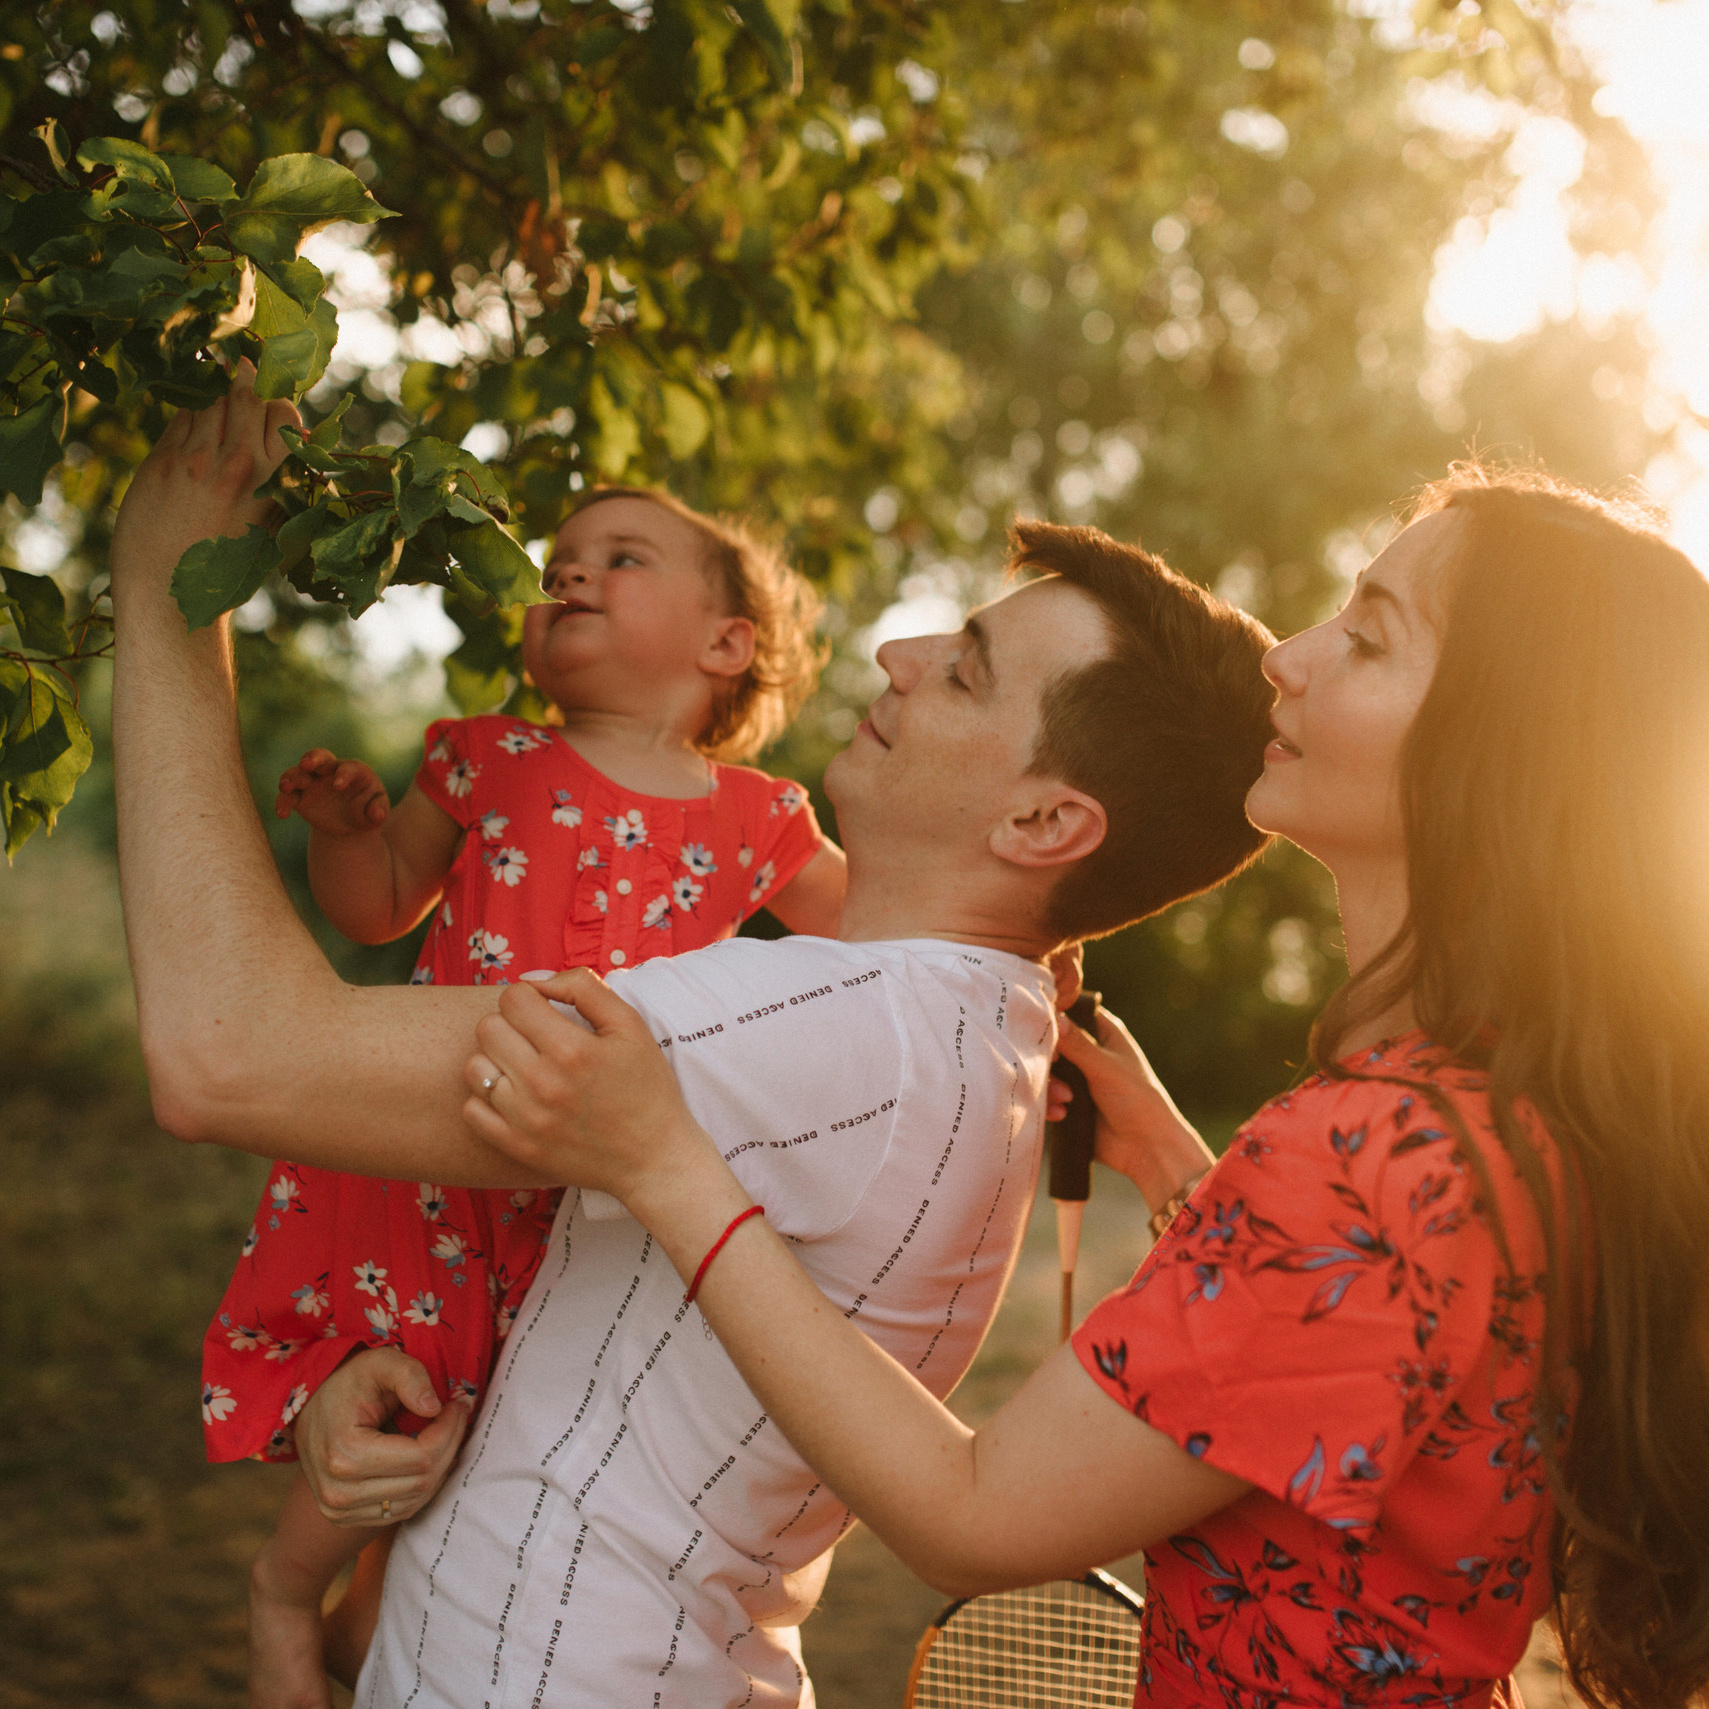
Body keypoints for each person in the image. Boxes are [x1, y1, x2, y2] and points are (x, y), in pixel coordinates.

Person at [107, 368, 1278, 1708]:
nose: (896, 655)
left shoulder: (819, 1028)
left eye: (962, 670)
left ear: (1042, 825)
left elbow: (228, 1052)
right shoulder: (966, 1030)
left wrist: (166, 586)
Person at [458, 469, 1709, 1709]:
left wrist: (667, 1166)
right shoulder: (1505, 1111)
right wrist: (1174, 1165)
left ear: (1495, 761)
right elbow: (1379, 1342)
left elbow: (971, 1513)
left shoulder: (1373, 1150)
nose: (1288, 657)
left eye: (1368, 641)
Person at [208, 483, 845, 1707]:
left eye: (621, 556)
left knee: (487, 1443)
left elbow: (890, 941)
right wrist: (346, 835)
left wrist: (1027, 955)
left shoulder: (760, 820)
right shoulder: (487, 756)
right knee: (405, 1390)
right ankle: (285, 1590)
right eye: (558, 562)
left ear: (726, 642)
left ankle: (361, 1636)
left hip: (594, 1203)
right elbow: (376, 906)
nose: (569, 574)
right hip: (440, 1158)